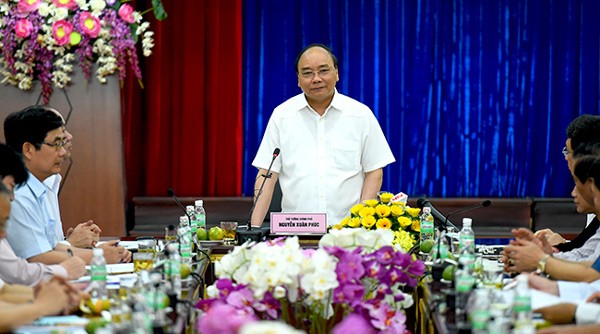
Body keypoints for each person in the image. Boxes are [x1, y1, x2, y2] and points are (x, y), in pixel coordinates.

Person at [250, 43, 395, 227]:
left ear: (337, 73)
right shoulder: (282, 116)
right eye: (308, 73)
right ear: (298, 79)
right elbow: (266, 174)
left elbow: (374, 171)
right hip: (294, 231)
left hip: (347, 229)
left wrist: (359, 224)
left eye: (323, 71)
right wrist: (253, 231)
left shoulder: (360, 115)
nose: (316, 79)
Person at [3, 105, 130, 264]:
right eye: (56, 143)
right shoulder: (19, 194)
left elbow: (52, 247)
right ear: (28, 149)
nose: (62, 152)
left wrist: (101, 251)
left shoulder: (38, 188)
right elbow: (37, 257)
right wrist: (99, 257)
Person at [0, 144, 86, 284]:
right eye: (10, 185)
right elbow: (18, 272)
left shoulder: (44, 189)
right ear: (28, 149)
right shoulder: (22, 197)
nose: (12, 197)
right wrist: (64, 270)